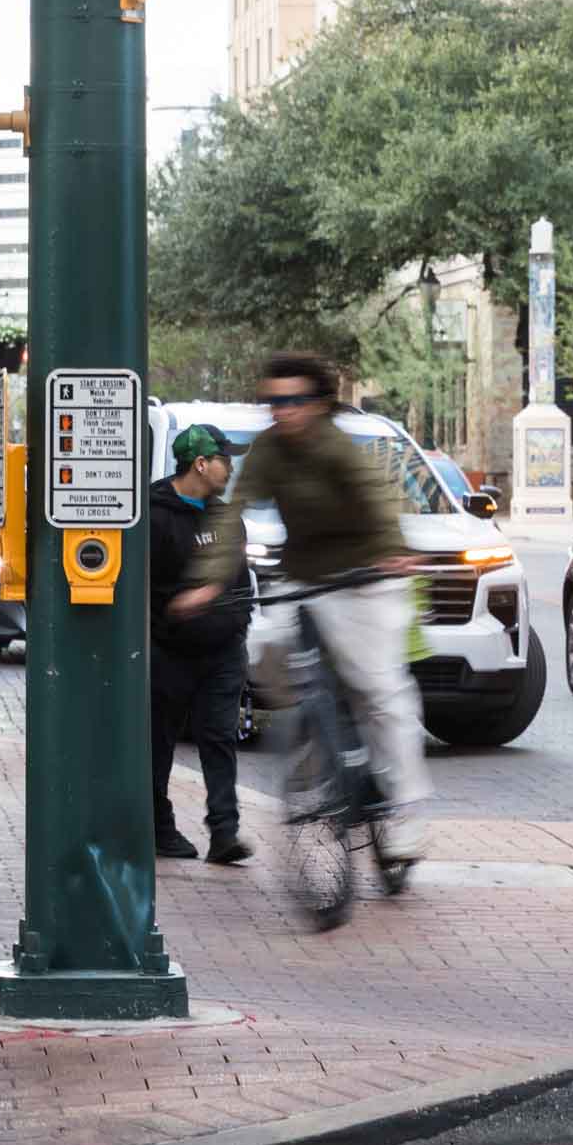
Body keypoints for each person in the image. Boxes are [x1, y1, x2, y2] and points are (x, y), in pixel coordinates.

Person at [169, 353, 433, 865]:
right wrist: (207, 582)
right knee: (267, 653)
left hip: (366, 576)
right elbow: (233, 515)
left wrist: (391, 552)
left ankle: (404, 813)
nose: (281, 411)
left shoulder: (339, 449)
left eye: (293, 401)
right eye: (273, 401)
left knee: (381, 692)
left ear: (318, 404)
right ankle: (320, 753)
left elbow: (376, 502)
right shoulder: (268, 450)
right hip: (306, 576)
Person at [149, 424, 253, 866]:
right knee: (157, 743)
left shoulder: (228, 519)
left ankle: (224, 833)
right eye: (225, 459)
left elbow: (242, 583)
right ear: (201, 464)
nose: (230, 468)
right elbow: (140, 589)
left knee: (219, 737)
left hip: (223, 652)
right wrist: (174, 610)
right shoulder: (152, 515)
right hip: (169, 652)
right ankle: (159, 827)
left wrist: (236, 626)